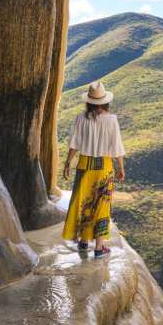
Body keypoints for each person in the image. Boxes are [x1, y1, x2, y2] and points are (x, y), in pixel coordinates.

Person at [61, 81, 126, 259]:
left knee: (83, 202)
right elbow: (117, 147)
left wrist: (67, 163)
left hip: (84, 166)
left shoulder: (81, 118)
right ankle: (99, 247)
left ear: (88, 101)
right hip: (104, 167)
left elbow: (74, 144)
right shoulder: (112, 120)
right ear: (105, 101)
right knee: (101, 205)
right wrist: (121, 167)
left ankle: (83, 241)